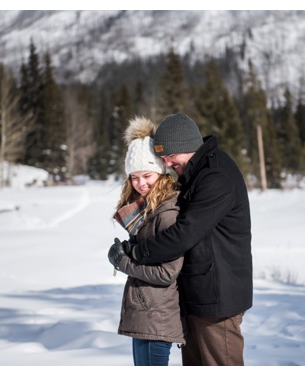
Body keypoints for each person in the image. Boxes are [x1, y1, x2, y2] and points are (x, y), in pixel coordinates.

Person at [109, 112, 252, 366]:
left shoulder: (215, 175)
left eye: (170, 156)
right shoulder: (196, 173)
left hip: (218, 299)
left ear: (186, 146)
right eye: (163, 158)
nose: (167, 162)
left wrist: (136, 253)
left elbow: (184, 233)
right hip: (199, 296)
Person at [107, 116, 185, 366]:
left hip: (156, 317)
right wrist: (131, 251)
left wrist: (123, 262)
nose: (141, 183)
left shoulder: (166, 214)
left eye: (147, 175)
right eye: (135, 177)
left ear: (161, 172)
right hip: (145, 314)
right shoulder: (145, 212)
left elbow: (167, 273)